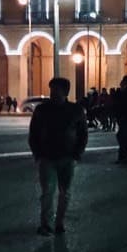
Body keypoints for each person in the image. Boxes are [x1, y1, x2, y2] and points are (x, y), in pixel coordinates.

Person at [28, 77, 88, 235]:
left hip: (67, 157)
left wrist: (77, 154)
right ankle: (45, 224)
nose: (53, 93)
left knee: (65, 192)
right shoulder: (42, 109)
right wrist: (37, 154)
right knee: (47, 191)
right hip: (47, 157)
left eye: (56, 90)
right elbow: (33, 133)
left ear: (66, 92)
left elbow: (83, 134)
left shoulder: (76, 110)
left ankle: (59, 222)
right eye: (52, 89)